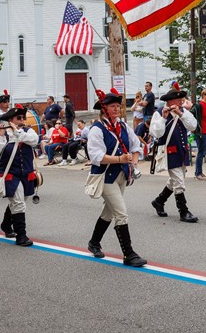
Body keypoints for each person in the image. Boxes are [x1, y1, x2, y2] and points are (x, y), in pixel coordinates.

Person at [85, 89, 147, 267]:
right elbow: (96, 156)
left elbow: (135, 146)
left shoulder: (123, 126)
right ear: (104, 110)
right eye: (112, 107)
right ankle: (129, 254)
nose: (117, 109)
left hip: (122, 175)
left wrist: (133, 164)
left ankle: (94, 242)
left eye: (118, 106)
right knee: (121, 213)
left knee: (109, 212)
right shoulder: (97, 129)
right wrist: (120, 159)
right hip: (105, 177)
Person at [0, 105, 40, 245]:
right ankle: (21, 236)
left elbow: (34, 141)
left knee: (21, 200)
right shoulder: (2, 135)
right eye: (19, 118)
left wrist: (17, 132)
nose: (22, 120)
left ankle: (5, 224)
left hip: (27, 174)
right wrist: (0, 135)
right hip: (11, 175)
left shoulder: (28, 132)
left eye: (23, 117)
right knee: (18, 203)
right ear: (11, 120)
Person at [149, 88, 199, 223]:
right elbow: (156, 133)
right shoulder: (159, 114)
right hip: (169, 151)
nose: (181, 102)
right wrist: (164, 119)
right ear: (170, 100)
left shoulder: (183, 111)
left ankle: (159, 201)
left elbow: (193, 126)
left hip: (181, 150)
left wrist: (181, 114)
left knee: (177, 179)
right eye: (179, 100)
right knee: (179, 181)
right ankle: (183, 211)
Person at [192, 89, 206, 181]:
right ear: (203, 96)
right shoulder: (199, 105)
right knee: (201, 153)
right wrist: (195, 128)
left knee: (203, 152)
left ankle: (199, 172)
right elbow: (191, 115)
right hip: (201, 133)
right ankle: (198, 173)